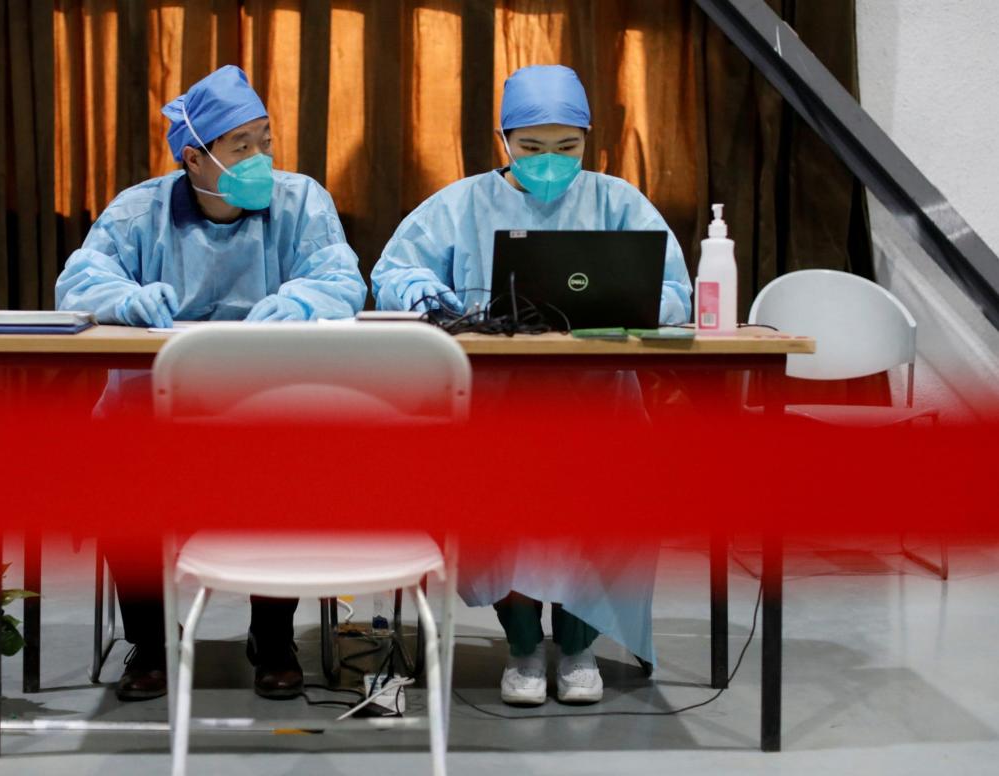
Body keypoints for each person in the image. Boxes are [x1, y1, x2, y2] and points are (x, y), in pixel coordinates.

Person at [371, 64, 685, 706]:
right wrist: (428, 294)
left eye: (566, 148)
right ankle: (520, 648)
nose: (550, 162)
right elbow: (392, 272)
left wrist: (633, 303)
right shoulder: (460, 205)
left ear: (589, 140)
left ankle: (577, 650)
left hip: (599, 405)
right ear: (503, 141)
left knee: (601, 517)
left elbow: (675, 291)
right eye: (532, 148)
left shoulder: (617, 201)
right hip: (493, 407)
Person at [56, 65, 366, 702]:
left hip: (267, 414)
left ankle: (273, 640)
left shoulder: (301, 200)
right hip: (149, 418)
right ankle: (150, 643)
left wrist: (304, 300)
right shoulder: (141, 211)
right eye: (241, 146)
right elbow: (80, 280)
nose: (260, 158)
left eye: (265, 140)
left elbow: (340, 277)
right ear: (195, 158)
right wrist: (125, 298)